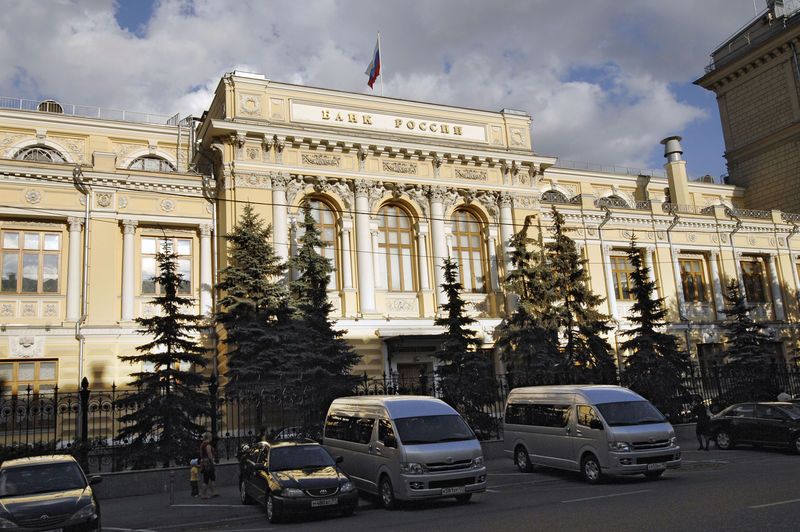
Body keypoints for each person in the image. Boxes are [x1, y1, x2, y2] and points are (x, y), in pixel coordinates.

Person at [199, 432, 218, 499]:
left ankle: (212, 492)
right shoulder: (207, 445)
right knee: (208, 478)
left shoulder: (202, 444)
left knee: (208, 478)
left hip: (204, 463)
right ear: (209, 437)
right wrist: (212, 461)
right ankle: (204, 494)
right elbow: (209, 454)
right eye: (211, 437)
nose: (212, 438)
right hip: (208, 463)